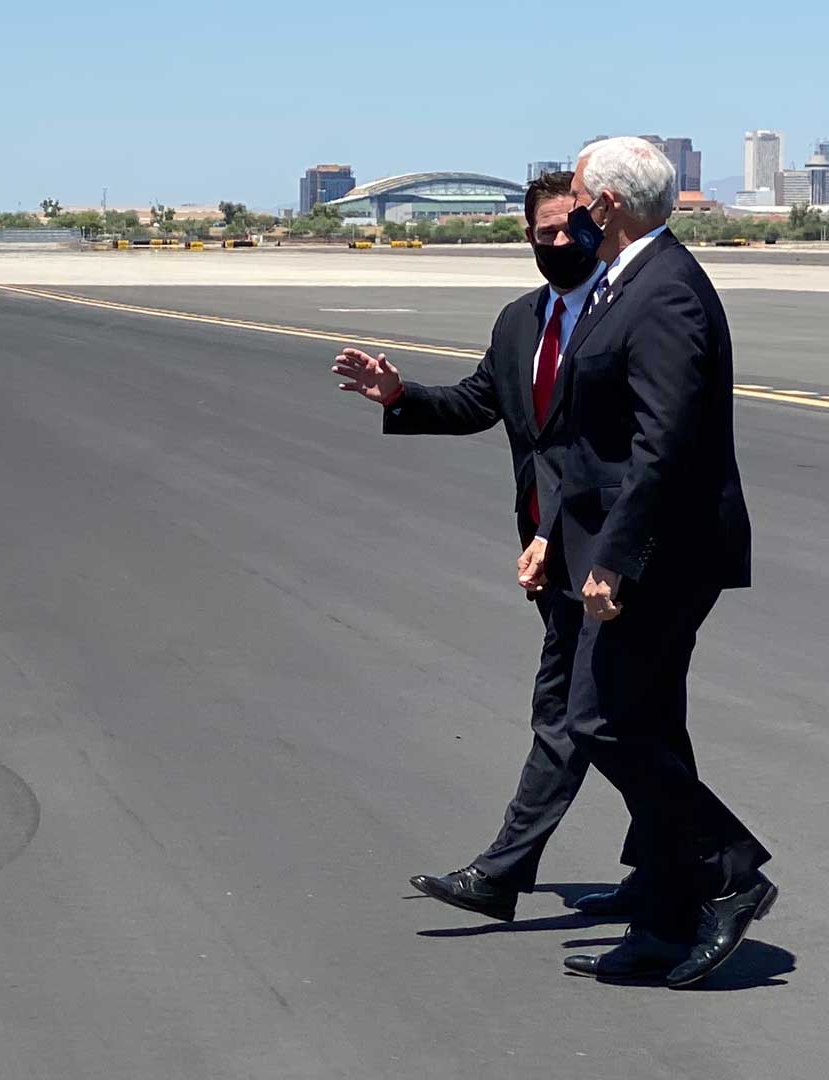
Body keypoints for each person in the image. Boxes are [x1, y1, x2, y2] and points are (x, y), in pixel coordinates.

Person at [332, 171, 611, 922]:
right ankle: (684, 863)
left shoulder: (623, 313)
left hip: (605, 555)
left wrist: (563, 534)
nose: (558, 241)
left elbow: (615, 454)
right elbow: (479, 403)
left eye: (570, 227)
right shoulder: (521, 320)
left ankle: (503, 872)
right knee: (620, 717)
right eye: (543, 231)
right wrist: (399, 396)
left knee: (568, 713)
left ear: (598, 223)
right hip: (546, 554)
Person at [528, 136, 774, 987]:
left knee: (601, 719)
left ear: (609, 205)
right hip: (631, 545)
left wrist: (615, 560)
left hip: (660, 555)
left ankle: (728, 869)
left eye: (585, 196)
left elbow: (660, 442)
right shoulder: (628, 278)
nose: (577, 209)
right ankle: (667, 917)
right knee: (649, 725)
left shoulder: (664, 290)